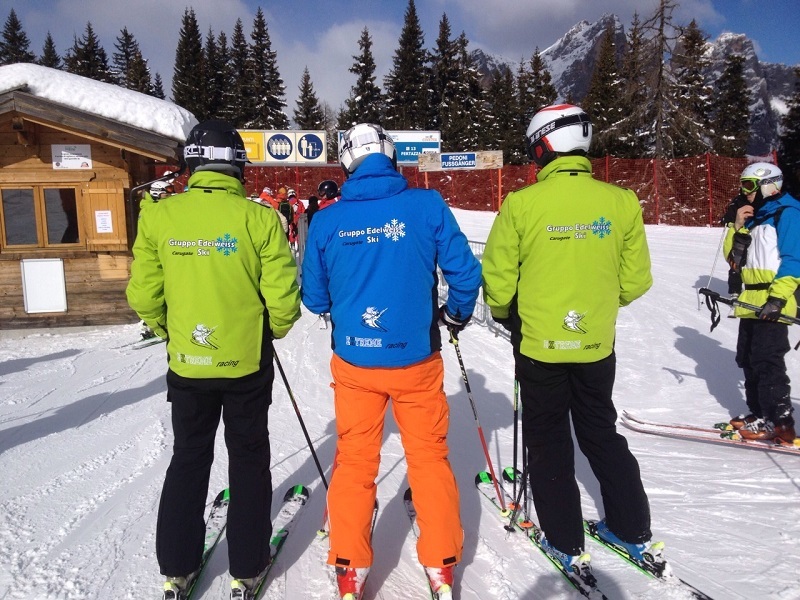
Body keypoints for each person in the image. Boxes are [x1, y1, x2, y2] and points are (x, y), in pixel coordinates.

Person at [301, 122, 482, 599]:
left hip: (355, 363)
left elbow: (314, 298)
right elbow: (466, 275)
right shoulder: (426, 204)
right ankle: (441, 561)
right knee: (428, 457)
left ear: (347, 163)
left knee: (355, 460)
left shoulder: (327, 220)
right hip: (416, 361)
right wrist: (455, 314)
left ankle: (349, 563)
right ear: (390, 155)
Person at [126, 119, 301, 600]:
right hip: (245, 364)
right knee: (248, 457)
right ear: (238, 165)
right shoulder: (259, 218)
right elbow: (284, 300)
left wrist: (168, 330)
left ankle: (177, 565)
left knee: (189, 456)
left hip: (188, 363)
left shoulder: (161, 216)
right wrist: (270, 331)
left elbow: (144, 294)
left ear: (192, 163)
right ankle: (248, 564)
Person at [482, 104, 657, 581]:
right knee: (600, 429)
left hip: (539, 346)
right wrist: (599, 305)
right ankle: (631, 527)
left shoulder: (522, 204)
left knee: (548, 438)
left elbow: (498, 277)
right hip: (596, 344)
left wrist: (505, 313)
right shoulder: (620, 201)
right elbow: (636, 280)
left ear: (543, 147)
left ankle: (564, 539)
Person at [722, 162, 799, 442]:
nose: (745, 192)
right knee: (748, 360)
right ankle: (757, 412)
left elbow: (794, 260)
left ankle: (779, 422)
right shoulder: (756, 217)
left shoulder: (787, 214)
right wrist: (737, 227)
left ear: (769, 185)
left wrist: (777, 298)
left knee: (768, 362)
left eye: (749, 185)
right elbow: (733, 261)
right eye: (743, 185)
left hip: (774, 299)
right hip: (751, 301)